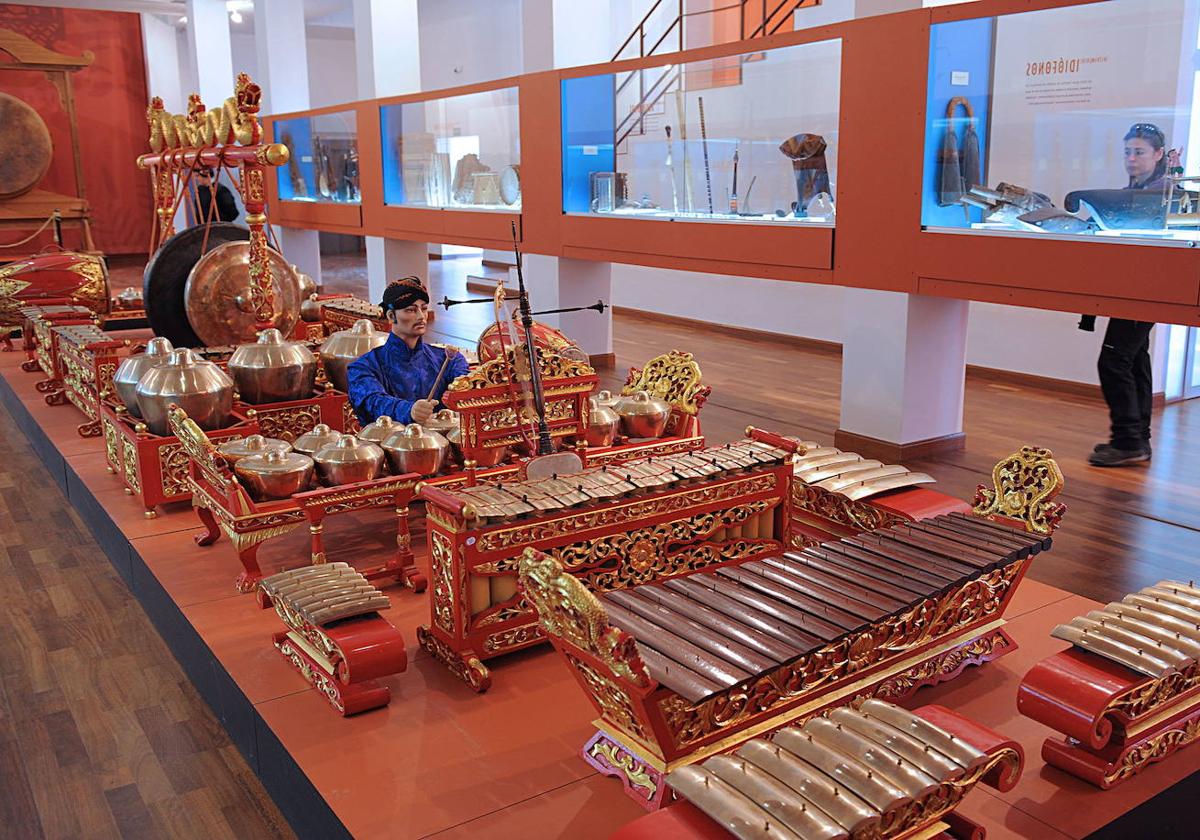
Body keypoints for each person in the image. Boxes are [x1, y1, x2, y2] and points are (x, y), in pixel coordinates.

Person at [1088, 123, 1167, 468]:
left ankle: (1127, 440)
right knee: (1134, 359)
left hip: (1146, 289)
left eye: (1139, 152)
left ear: (1159, 155)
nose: (1131, 159)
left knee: (1114, 360)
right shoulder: (1138, 190)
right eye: (1127, 152)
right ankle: (1138, 439)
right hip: (1137, 288)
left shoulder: (1161, 193)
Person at [346, 277, 469, 426]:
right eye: (410, 310)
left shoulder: (449, 359)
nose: (421, 317)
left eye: (423, 308)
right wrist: (408, 410)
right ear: (391, 316)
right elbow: (372, 401)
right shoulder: (363, 367)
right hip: (389, 446)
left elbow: (466, 390)